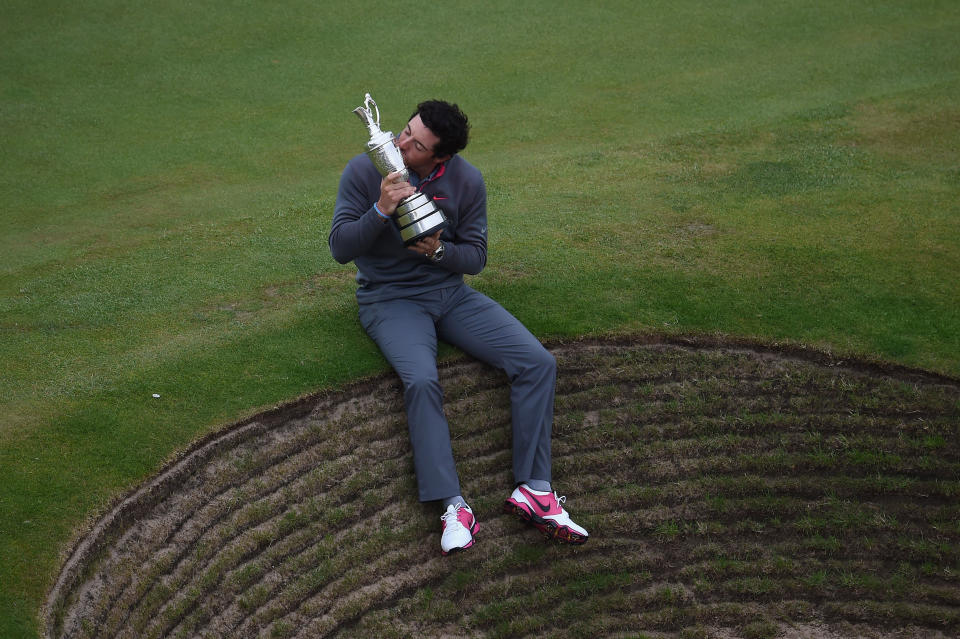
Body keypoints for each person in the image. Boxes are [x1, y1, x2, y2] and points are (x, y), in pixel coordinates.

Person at [329, 98, 588, 555]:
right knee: (422, 380)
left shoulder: (466, 181)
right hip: (388, 300)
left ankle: (535, 489)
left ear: (440, 157)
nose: (401, 142)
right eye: (405, 131)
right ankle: (454, 505)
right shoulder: (364, 170)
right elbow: (340, 248)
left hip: (450, 294)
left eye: (416, 144)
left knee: (537, 362)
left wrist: (438, 253)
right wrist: (381, 210)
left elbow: (476, 258)